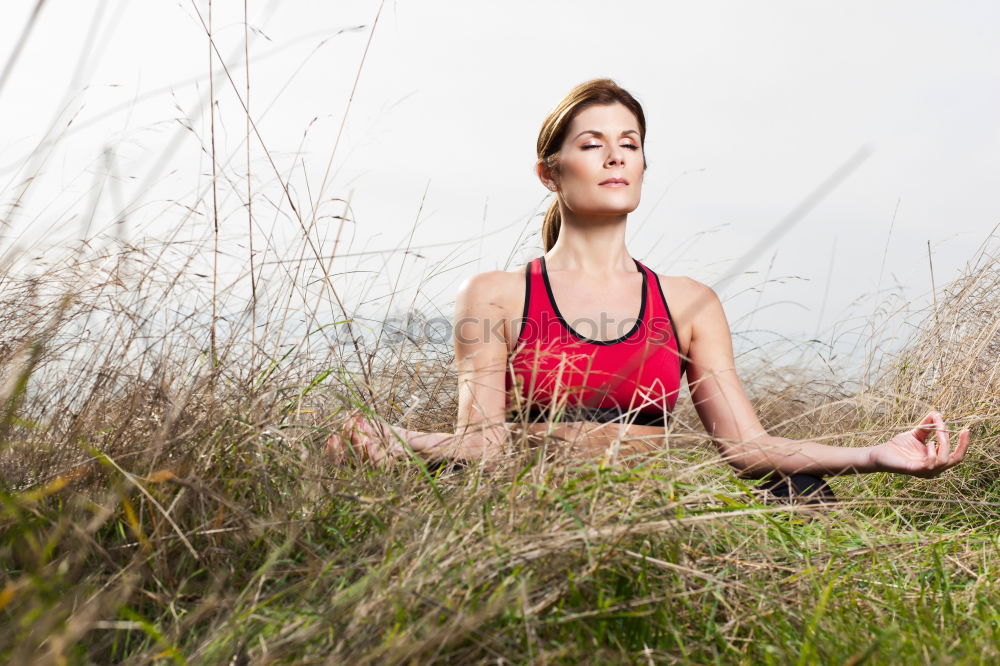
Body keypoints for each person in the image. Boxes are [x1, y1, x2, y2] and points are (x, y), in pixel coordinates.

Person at [326, 78, 969, 501]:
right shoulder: (495, 294)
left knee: (800, 490)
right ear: (550, 173)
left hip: (647, 520)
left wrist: (878, 454)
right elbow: (483, 447)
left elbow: (747, 448)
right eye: (592, 144)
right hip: (536, 516)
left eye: (629, 144)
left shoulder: (689, 302)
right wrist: (395, 437)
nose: (615, 157)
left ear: (641, 165)